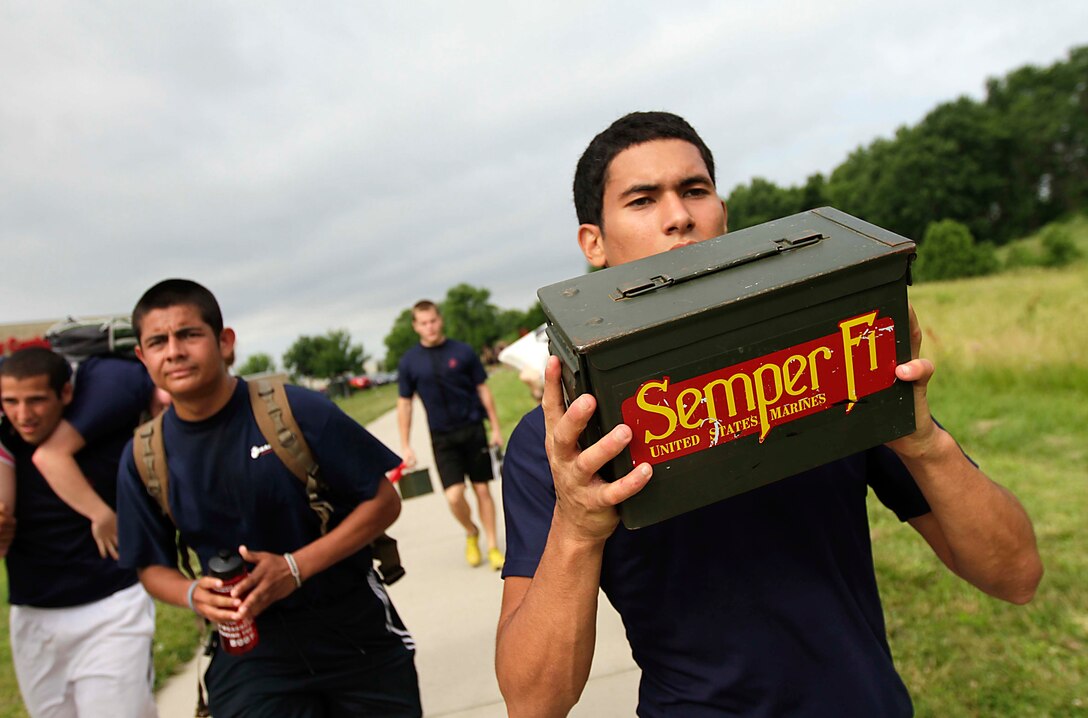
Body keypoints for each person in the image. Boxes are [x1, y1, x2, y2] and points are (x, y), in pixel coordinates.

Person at [495, 111, 1044, 717]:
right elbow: (533, 702)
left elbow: (1016, 576)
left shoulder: (826, 363)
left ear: (722, 212)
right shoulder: (561, 440)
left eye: (695, 190)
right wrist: (576, 526)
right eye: (643, 199)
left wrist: (923, 441)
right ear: (593, 242)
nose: (679, 216)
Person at [116, 279, 420, 717]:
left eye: (189, 334)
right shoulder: (144, 455)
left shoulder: (296, 411)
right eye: (157, 342)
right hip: (250, 651)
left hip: (353, 633)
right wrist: (192, 594)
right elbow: (149, 566)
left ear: (224, 342)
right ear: (143, 358)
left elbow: (384, 502)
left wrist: (294, 569)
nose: (174, 351)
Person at [1, 347, 158, 717]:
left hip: (112, 608)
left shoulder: (104, 420)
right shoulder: (5, 441)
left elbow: (125, 374)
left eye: (37, 400)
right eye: (11, 401)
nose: (24, 415)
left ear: (66, 394)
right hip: (33, 616)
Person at [397, 300, 505, 570]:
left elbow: (482, 389)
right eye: (423, 323)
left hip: (472, 430)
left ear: (440, 320)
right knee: (454, 496)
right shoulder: (410, 362)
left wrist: (495, 427)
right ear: (415, 326)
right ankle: (471, 531)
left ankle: (492, 546)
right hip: (442, 437)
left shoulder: (463, 351)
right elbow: (405, 404)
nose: (429, 327)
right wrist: (405, 445)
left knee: (482, 489)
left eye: (432, 321)